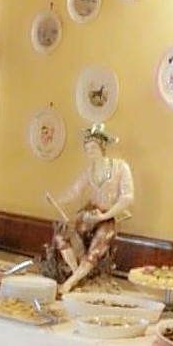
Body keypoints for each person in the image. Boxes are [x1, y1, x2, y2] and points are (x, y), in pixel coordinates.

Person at [49, 123, 134, 293]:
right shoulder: (90, 170)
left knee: (96, 249)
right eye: (87, 149)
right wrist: (58, 200)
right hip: (90, 213)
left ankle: (69, 284)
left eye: (93, 147)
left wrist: (104, 217)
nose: (90, 152)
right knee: (62, 236)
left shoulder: (120, 167)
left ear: (102, 148)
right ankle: (77, 275)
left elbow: (127, 197)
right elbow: (75, 190)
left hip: (108, 216)